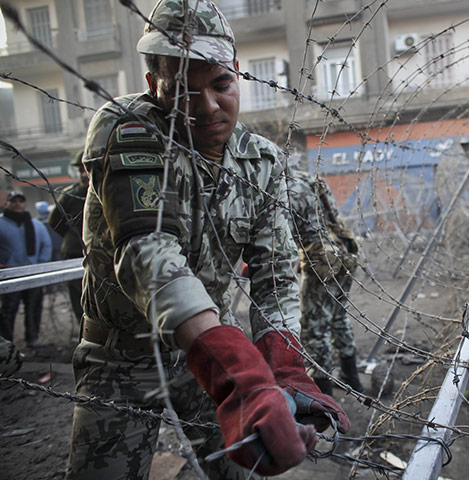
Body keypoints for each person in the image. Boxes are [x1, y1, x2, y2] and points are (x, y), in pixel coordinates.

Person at [64, 1, 349, 478]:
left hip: (207, 361)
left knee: (241, 469)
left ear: (238, 74)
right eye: (182, 92)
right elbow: (148, 250)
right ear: (155, 87)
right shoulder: (129, 129)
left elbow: (276, 273)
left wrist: (283, 368)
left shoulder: (261, 161)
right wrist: (238, 370)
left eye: (221, 85)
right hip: (121, 360)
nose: (207, 107)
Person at [287, 168, 364, 396]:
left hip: (322, 261)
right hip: (343, 250)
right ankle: (352, 379)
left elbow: (283, 235)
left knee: (313, 329)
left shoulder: (285, 188)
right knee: (339, 317)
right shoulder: (310, 179)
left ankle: (323, 394)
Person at [0, 191, 52, 347]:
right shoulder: (1, 224)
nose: (17, 203)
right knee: (9, 310)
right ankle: (7, 343)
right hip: (10, 274)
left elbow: (46, 245)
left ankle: (32, 338)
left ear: (25, 204)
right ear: (6, 204)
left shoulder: (36, 225)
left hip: (32, 273)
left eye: (20, 201)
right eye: (13, 201)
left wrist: (40, 265)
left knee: (33, 307)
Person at [48, 150, 88, 324]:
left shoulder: (106, 192)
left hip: (100, 255)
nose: (84, 174)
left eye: (87, 169)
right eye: (80, 170)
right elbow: (55, 222)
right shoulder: (70, 195)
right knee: (78, 297)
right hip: (75, 253)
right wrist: (73, 237)